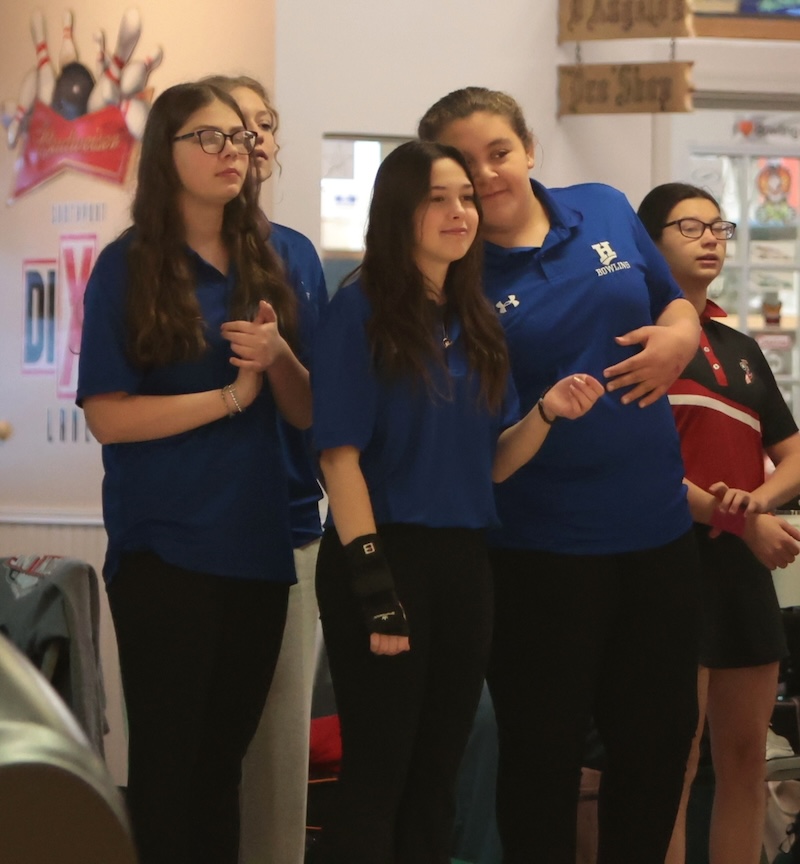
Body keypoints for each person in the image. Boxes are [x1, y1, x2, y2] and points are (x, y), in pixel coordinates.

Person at [417, 87, 704, 864]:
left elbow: (674, 305)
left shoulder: (603, 207)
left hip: (656, 535)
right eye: (466, 164)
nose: (487, 174)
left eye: (499, 152)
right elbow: (475, 441)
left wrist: (679, 341)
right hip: (538, 552)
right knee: (540, 757)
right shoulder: (454, 280)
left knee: (658, 742)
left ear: (529, 149)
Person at [311, 139, 603, 864]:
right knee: (380, 771)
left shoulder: (476, 320)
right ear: (398, 212)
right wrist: (374, 585)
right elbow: (338, 458)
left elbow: (494, 463)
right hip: (382, 554)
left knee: (440, 773)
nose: (459, 212)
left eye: (466, 198)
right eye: (437, 198)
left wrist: (546, 412)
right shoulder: (360, 309)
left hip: (464, 562)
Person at [76, 81, 311, 864]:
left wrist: (277, 361)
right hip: (166, 547)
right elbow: (109, 416)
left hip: (258, 545)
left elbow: (306, 414)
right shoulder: (129, 265)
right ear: (165, 154)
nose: (231, 152)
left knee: (221, 769)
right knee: (169, 768)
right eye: (208, 138)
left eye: (240, 138)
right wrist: (230, 396)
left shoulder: (273, 261)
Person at [637, 182, 800, 864]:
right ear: (649, 243)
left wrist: (756, 505)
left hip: (742, 566)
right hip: (669, 561)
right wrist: (738, 518)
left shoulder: (740, 344)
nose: (710, 238)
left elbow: (793, 454)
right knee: (674, 762)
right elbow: (639, 464)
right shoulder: (641, 339)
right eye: (690, 227)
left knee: (745, 760)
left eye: (718, 227)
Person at [202, 73, 328, 864]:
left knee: (279, 762)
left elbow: (317, 408)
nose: (251, 139)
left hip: (287, 528)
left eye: (264, 124)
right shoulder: (151, 258)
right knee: (191, 753)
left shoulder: (296, 255)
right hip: (186, 535)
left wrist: (277, 355)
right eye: (231, 126)